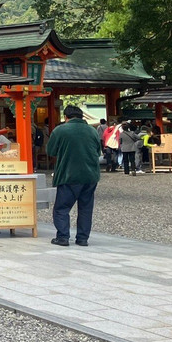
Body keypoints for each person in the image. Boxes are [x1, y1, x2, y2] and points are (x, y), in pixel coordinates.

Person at [46, 104, 102, 247]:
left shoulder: (60, 130)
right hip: (90, 175)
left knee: (62, 208)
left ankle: (63, 237)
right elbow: (97, 150)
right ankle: (83, 238)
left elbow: (51, 151)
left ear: (66, 117)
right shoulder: (92, 131)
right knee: (85, 208)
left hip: (68, 174)